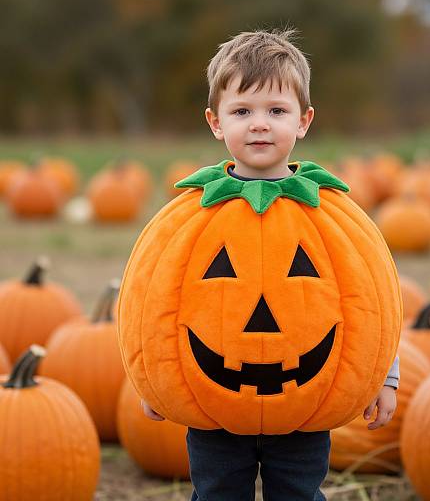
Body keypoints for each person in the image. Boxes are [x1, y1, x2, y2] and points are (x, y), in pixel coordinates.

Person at [141, 28, 400, 501]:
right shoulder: (190, 214)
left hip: (305, 404)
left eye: (276, 111)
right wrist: (153, 380)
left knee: (299, 493)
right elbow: (156, 304)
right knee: (217, 493)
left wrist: (384, 376)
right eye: (242, 111)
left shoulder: (333, 214)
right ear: (215, 122)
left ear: (303, 121)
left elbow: (370, 301)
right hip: (216, 405)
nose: (259, 124)